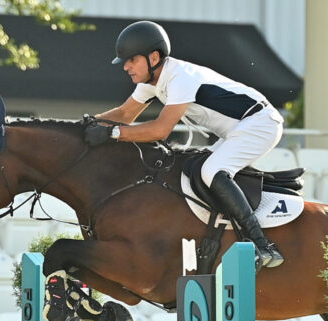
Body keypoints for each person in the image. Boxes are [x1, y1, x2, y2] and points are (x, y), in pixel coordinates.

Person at [83, 21, 285, 268]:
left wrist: (111, 134)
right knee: (192, 170)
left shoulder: (180, 77)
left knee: (211, 171)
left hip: (261, 123)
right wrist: (86, 124)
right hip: (238, 130)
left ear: (154, 57)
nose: (125, 66)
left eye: (131, 60)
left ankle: (263, 245)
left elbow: (160, 130)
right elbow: (125, 114)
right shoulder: (152, 81)